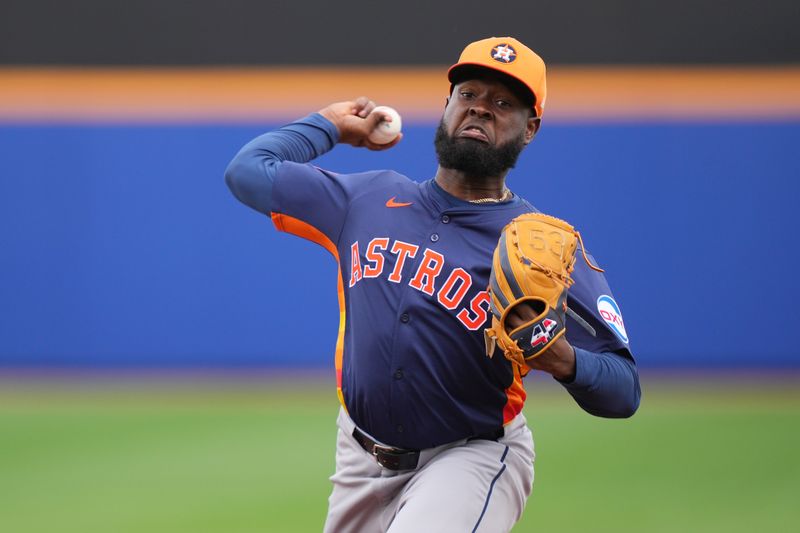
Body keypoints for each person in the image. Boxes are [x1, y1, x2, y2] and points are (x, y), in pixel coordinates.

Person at [225, 36, 640, 533]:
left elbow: (624, 390)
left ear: (529, 129)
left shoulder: (537, 246)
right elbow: (247, 172)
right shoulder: (368, 199)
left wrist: (565, 361)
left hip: (471, 456)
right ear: (446, 106)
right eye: (468, 94)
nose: (481, 109)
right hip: (359, 459)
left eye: (503, 103)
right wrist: (331, 125)